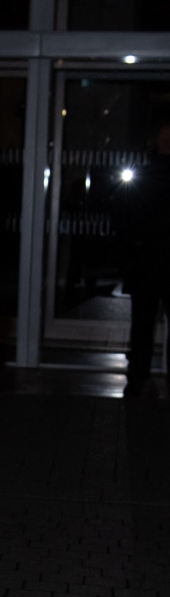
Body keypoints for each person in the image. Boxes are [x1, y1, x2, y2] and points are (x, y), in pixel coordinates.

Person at [119, 122, 170, 397]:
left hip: (147, 261)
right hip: (148, 261)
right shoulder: (147, 174)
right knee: (142, 324)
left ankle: (138, 375)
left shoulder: (146, 173)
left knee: (142, 324)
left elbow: (127, 217)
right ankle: (138, 374)